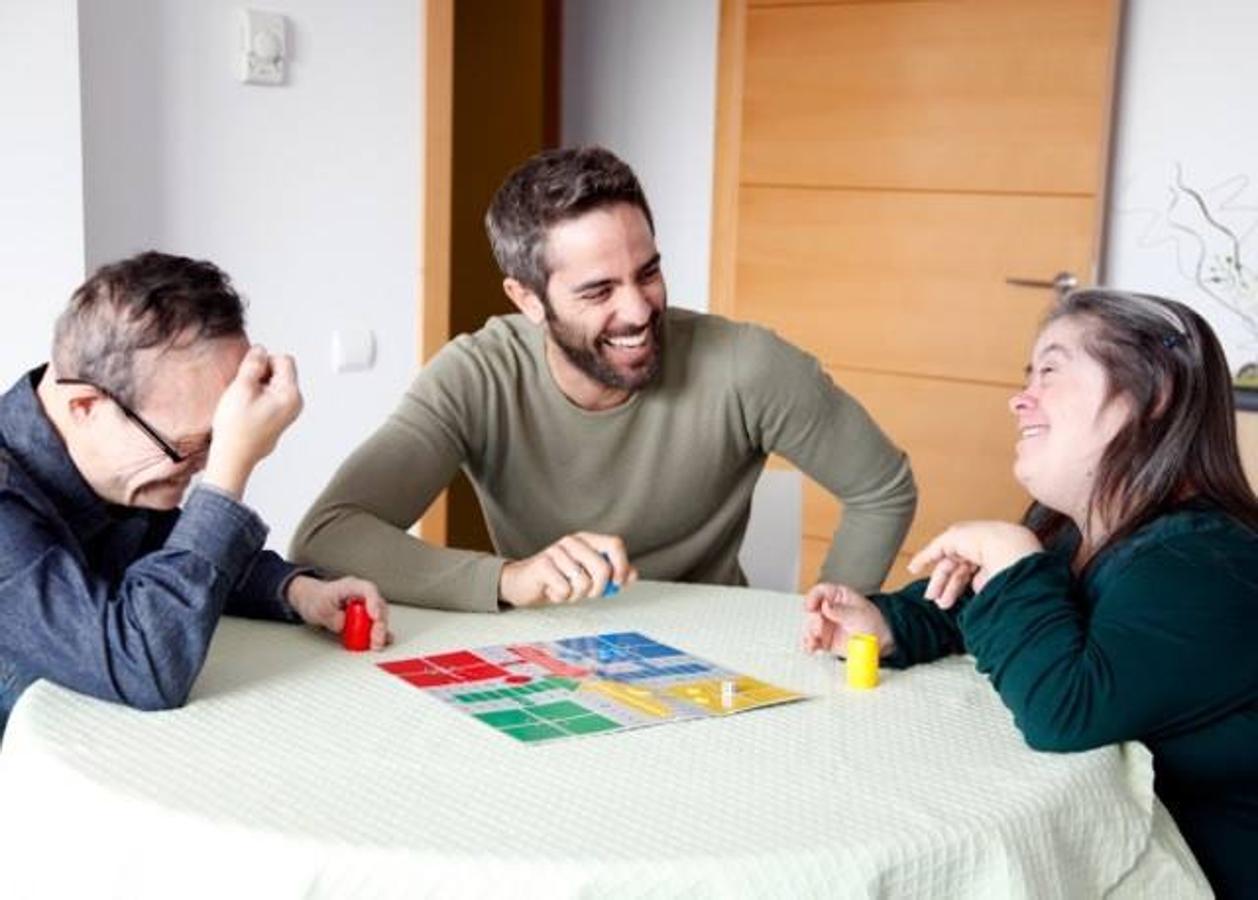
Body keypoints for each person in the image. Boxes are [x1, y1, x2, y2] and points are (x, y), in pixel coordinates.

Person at [291, 146, 916, 610]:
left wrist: (833, 616)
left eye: (648, 272)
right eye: (599, 290)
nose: (640, 311)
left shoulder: (746, 364)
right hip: (548, 650)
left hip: (715, 654)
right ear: (528, 299)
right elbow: (327, 536)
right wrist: (507, 580)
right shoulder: (477, 374)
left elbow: (881, 486)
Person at [803, 289, 1258, 897]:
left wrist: (1015, 559)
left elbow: (1064, 708)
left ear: (1153, 393)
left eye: (1050, 371)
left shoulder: (1206, 560)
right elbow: (978, 613)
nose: (1021, 399)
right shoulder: (1081, 539)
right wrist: (888, 625)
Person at [0, 251, 390, 737]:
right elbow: (141, 664)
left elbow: (165, 555)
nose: (202, 465)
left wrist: (295, 590)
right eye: (189, 445)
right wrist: (230, 470)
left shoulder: (108, 464)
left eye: (220, 439)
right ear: (85, 406)